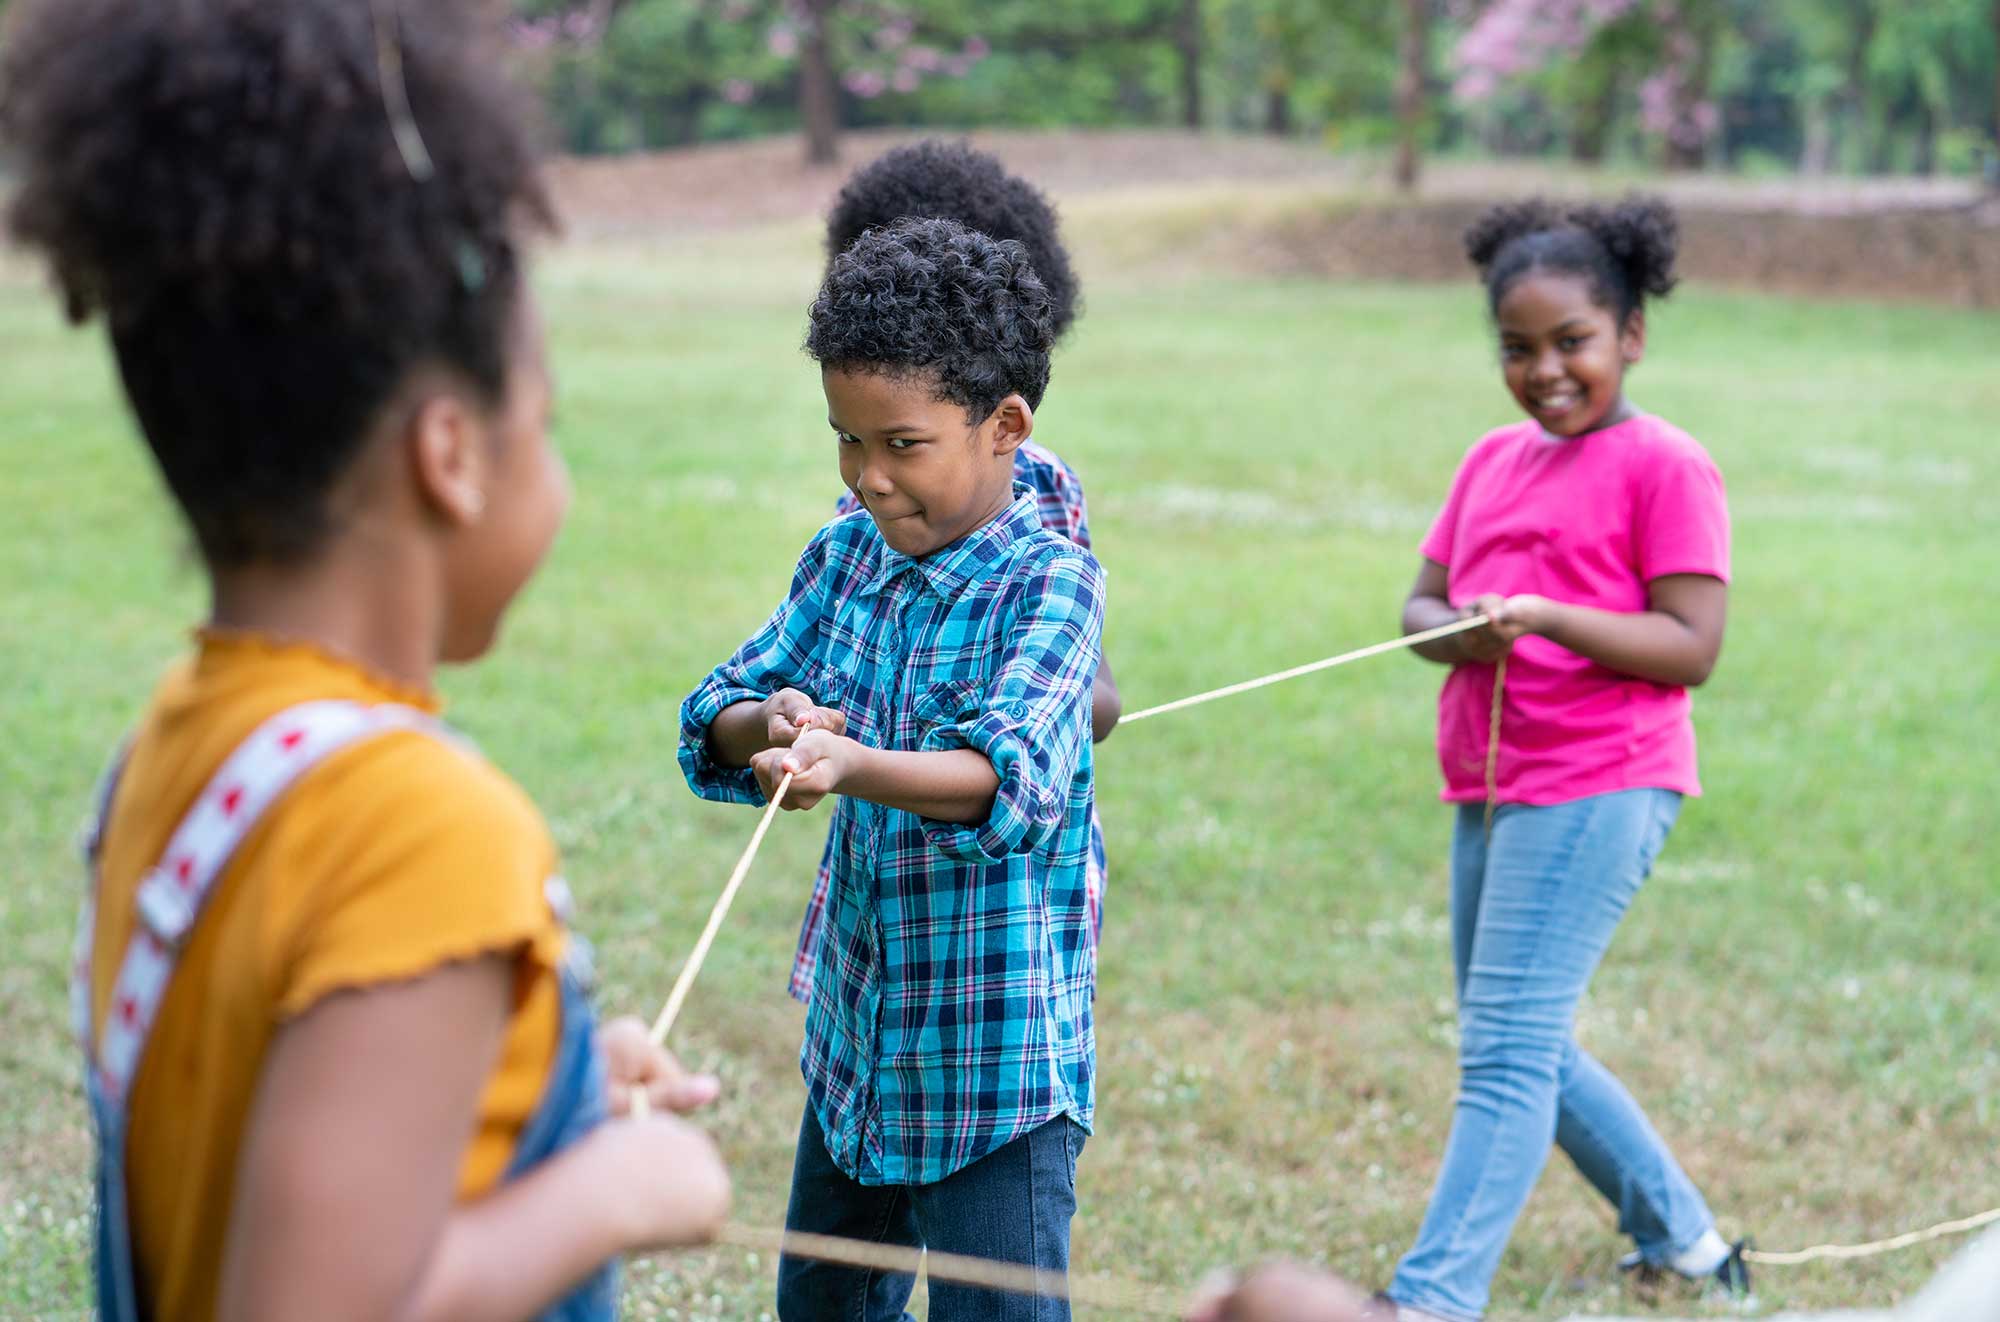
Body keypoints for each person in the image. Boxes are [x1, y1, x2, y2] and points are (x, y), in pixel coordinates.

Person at [2, 1, 730, 1317]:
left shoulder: (185, 742)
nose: (555, 470)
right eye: (545, 427)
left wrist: (547, 1100)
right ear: (450, 454)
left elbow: (271, 1128)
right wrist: (618, 1184)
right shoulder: (421, 829)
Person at [678, 217, 1102, 1321]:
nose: (867, 477)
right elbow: (714, 709)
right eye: (844, 438)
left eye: (901, 443)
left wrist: (855, 762)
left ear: (1005, 426)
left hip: (994, 1063)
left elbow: (1011, 782)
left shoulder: (1050, 584)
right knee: (820, 1304)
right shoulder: (842, 557)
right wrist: (763, 721)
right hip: (859, 1042)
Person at [1385, 196, 1744, 1322]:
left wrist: (1545, 615)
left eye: (1570, 342)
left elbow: (1689, 646)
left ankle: (1427, 1299)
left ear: (1629, 333)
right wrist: (1459, 628)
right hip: (1490, 778)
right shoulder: (1490, 458)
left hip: (1602, 778)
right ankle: (1682, 1237)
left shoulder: (1665, 465)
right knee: (1519, 1035)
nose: (1544, 370)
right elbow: (1417, 604)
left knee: (1501, 1050)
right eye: (1516, 348)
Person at [787, 139, 1119, 1009]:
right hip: (881, 888)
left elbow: (1099, 701)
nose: (871, 474)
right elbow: (785, 679)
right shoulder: (867, 516)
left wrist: (1016, 704)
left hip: (1004, 915)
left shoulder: (1044, 502)